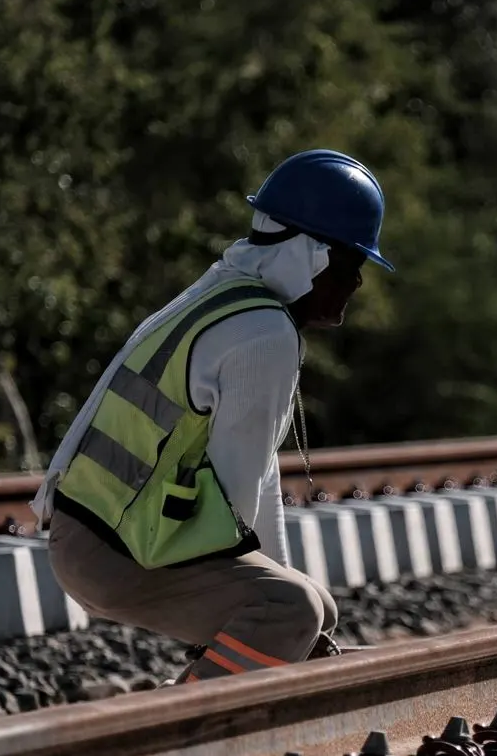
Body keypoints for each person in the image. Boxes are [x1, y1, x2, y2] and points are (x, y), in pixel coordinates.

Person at [30, 148, 395, 685]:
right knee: (292, 612)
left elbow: (261, 472)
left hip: (95, 535)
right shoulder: (266, 335)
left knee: (310, 608)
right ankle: (173, 737)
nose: (358, 284)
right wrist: (270, 611)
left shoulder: (228, 293)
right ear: (311, 256)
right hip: (111, 552)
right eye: (352, 264)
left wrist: (278, 586)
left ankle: (195, 717)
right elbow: (236, 492)